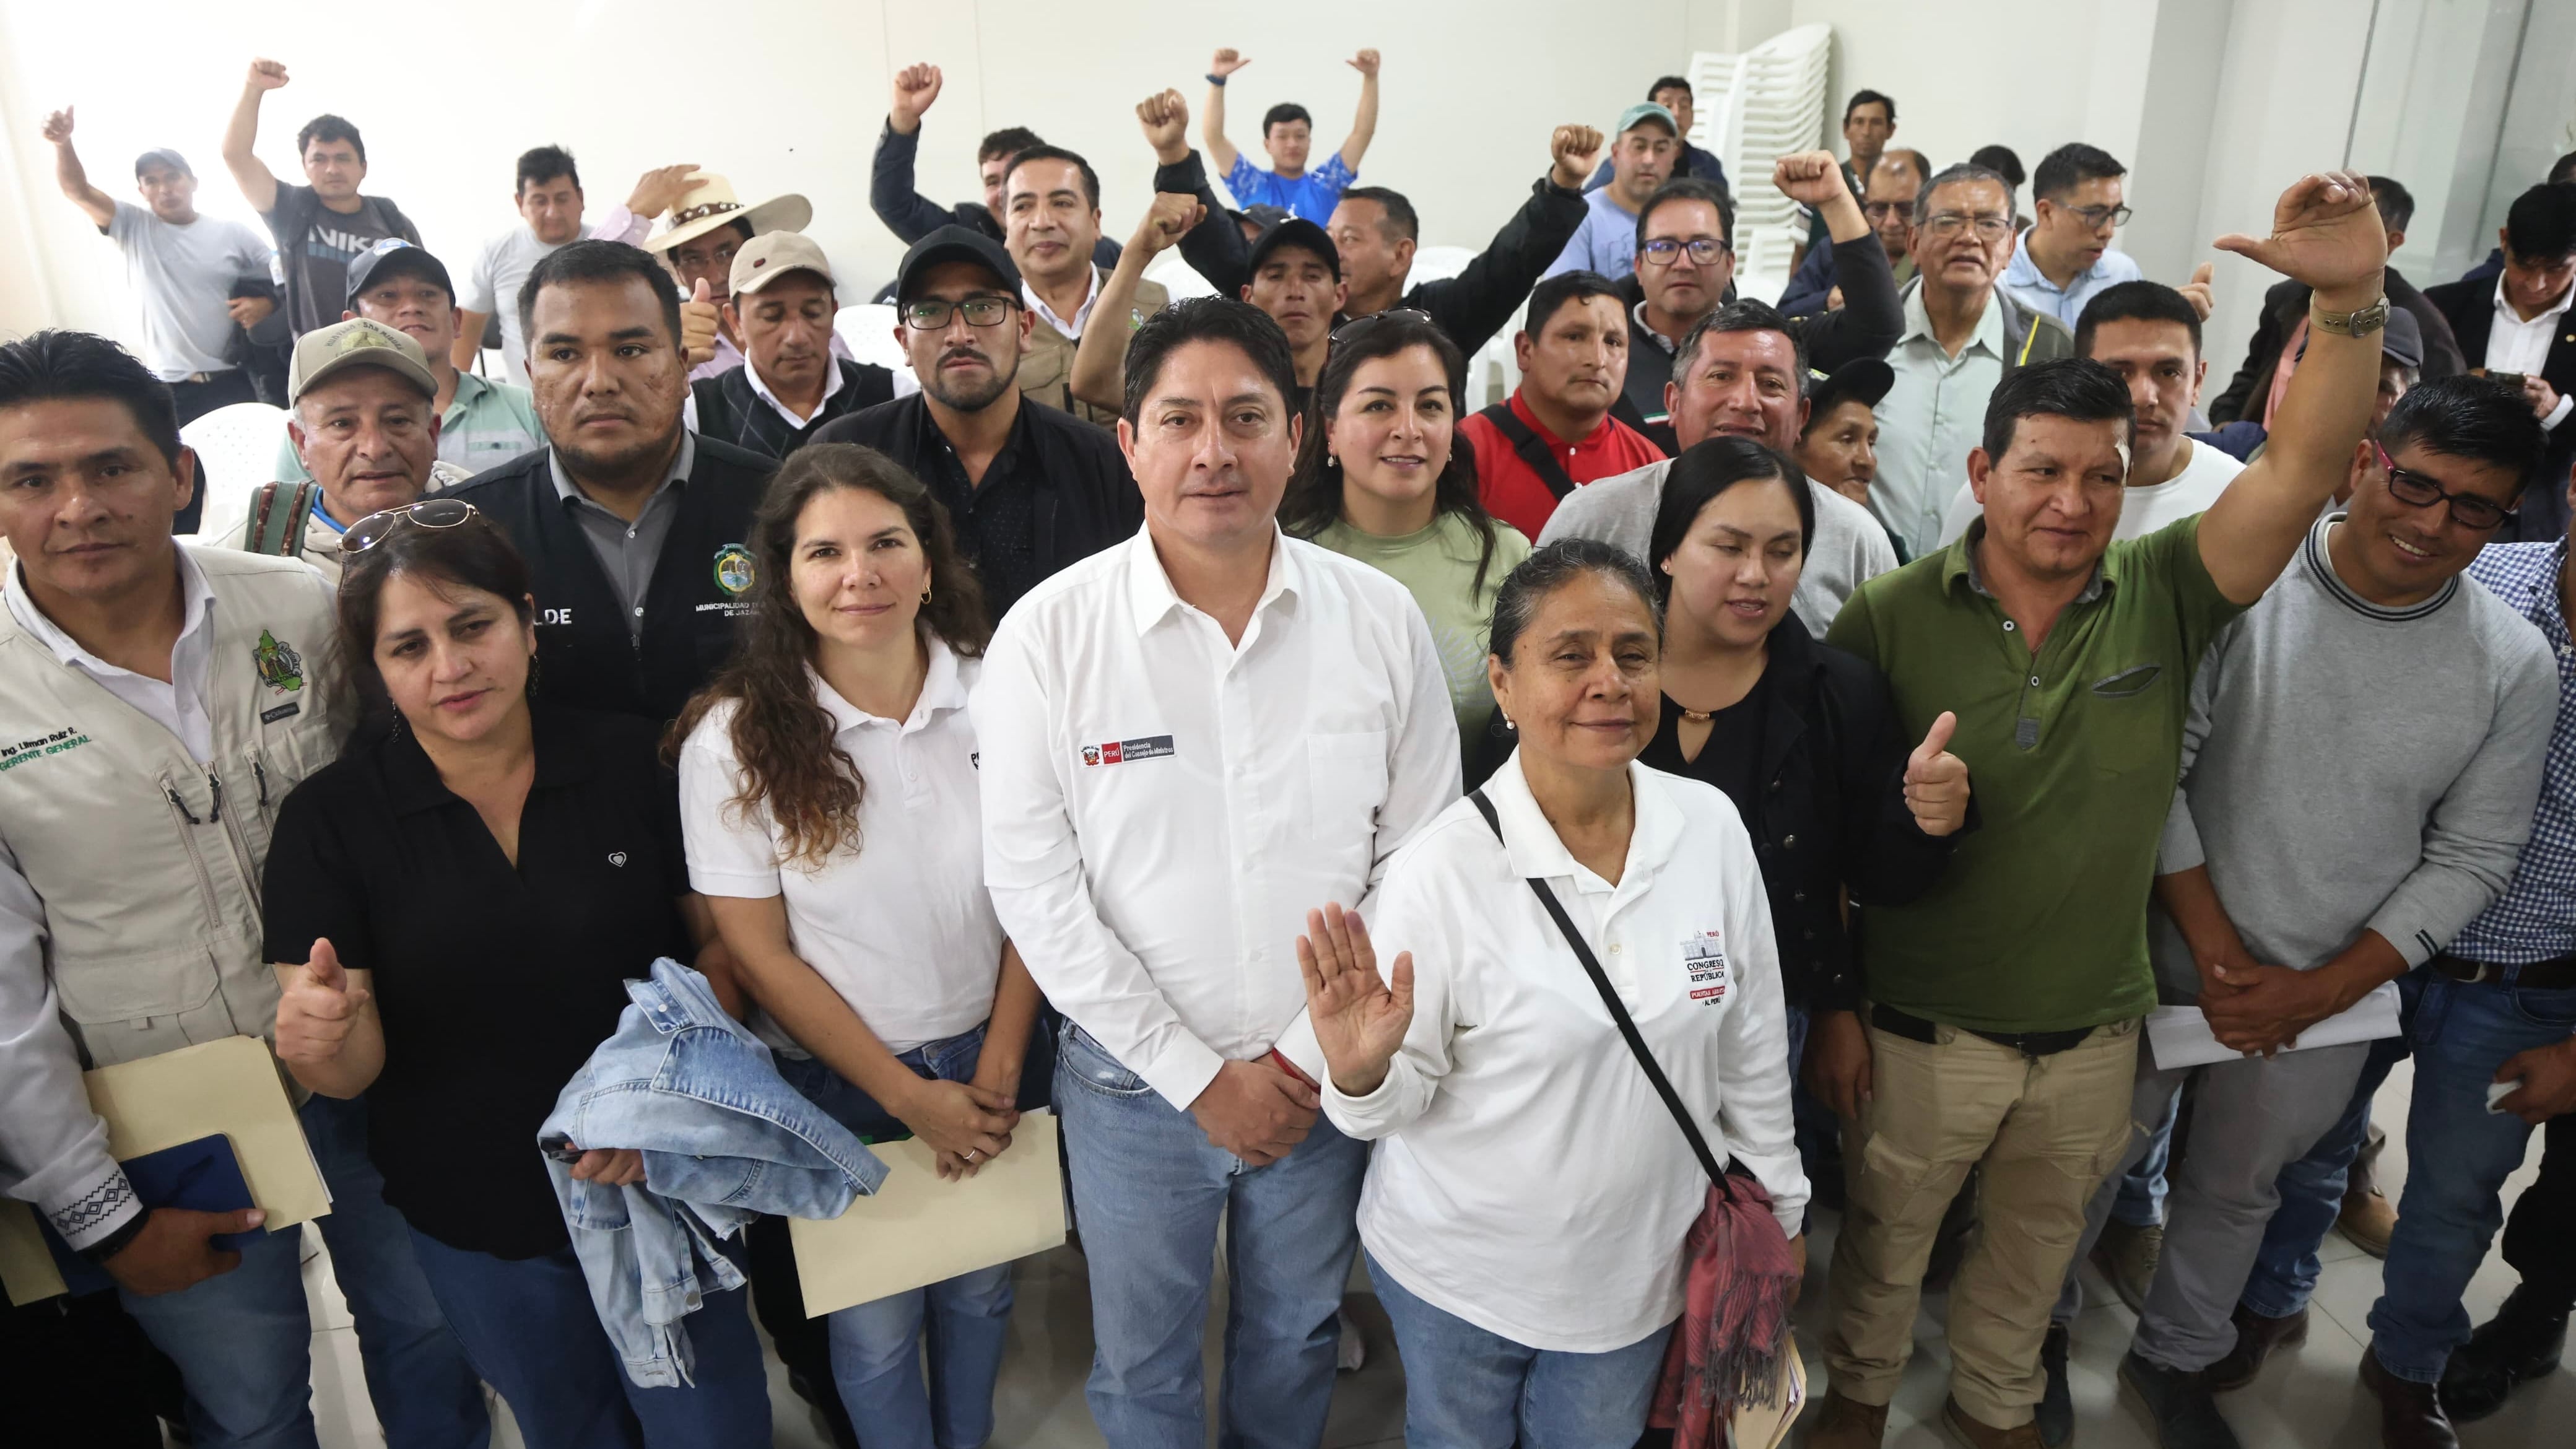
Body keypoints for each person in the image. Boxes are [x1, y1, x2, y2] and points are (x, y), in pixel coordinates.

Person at [1801, 170, 2395, 1449]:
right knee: (1889, 1244)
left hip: (2088, 1038)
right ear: (1980, 470)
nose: (2070, 502)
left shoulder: (2168, 588)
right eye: (2040, 473)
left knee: (2032, 1253)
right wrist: (1839, 1003)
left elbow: (2296, 471)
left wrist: (2347, 298)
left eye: (2099, 475)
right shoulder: (1887, 614)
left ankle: (1996, 1402)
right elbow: (1836, 842)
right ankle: (1856, 1394)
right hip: (1922, 1031)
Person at [973, 298, 1458, 1448]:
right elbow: (1036, 887)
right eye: (1179, 420)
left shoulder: (1379, 622)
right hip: (1132, 1089)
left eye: (1246, 417)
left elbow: (1424, 855)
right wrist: (1198, 1076)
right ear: (1128, 443)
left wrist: (1292, 1064)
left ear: (1298, 437)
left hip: (1321, 1080)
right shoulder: (1050, 635)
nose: (1214, 452)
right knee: (1143, 1360)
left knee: (1292, 1334)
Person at [0, 329, 487, 1449]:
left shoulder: (300, 611)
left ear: (178, 473)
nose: (79, 506)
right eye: (33, 478)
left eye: (111, 467)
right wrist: (101, 1215)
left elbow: (414, 824)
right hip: (159, 1120)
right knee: (252, 1403)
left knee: (428, 1336)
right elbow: (4, 1003)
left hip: (372, 1067)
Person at [263, 501, 768, 1449]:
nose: (450, 668)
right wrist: (318, 1040)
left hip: (658, 1176)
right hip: (477, 1209)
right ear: (375, 670)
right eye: (408, 647)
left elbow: (720, 955)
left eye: (473, 627)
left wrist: (656, 1109)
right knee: (568, 1426)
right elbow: (350, 1067)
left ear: (528, 625)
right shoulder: (330, 823)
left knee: (714, 1424)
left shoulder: (631, 758)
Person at [2110, 374, 2555, 1449]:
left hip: (2322, 996)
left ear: (2505, 521)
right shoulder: (2247, 583)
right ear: (2366, 462)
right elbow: (2155, 768)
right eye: (2416, 485)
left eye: (2473, 509)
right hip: (2153, 954)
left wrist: (2323, 985)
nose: (2432, 523)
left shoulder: (2511, 663)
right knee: (2084, 1169)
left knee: (2236, 1191)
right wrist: (2218, 955)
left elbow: (2477, 850)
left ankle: (2172, 1364)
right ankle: (2027, 1345)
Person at [1295, 538, 1809, 1446]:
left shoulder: (1708, 829)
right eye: (1571, 656)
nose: (1608, 681)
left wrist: (1784, 1207)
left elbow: (1751, 1043)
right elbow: (1391, 1105)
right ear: (1502, 682)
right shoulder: (1443, 870)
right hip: (1459, 1276)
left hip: (1635, 1280)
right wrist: (1364, 1074)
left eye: (1633, 654)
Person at [674, 446, 1045, 1449]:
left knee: (980, 1300)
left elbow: (1039, 894)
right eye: (824, 552)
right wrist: (902, 1095)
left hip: (995, 1055)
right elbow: (761, 954)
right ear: (785, 579)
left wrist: (999, 1068)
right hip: (842, 1085)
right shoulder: (738, 739)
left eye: (887, 543)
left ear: (929, 558)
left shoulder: (1003, 692)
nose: (860, 574)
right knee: (876, 1334)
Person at [1635, 438, 1967, 1090]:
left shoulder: (1839, 693)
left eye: (1781, 552)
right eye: (1728, 547)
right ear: (1668, 550)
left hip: (1766, 1022)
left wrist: (1932, 821)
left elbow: (1865, 879)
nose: (1756, 574)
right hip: (1604, 1007)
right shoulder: (1599, 682)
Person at [440, 240, 779, 725]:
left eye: (630, 350)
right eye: (564, 353)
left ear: (684, 365)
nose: (598, 381)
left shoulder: (780, 504)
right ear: (532, 378)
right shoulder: (467, 532)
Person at [2435, 453, 2576, 1430]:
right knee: (2312, 1157)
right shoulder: (2486, 582)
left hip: (2544, 984)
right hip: (2396, 953)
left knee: (2535, 1202)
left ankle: (2533, 1315)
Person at [814, 227, 1142, 621]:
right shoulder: (845, 457)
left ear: (1024, 330)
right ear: (903, 341)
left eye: (984, 307)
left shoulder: (1099, 464)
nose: (960, 335)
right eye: (930, 312)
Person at [1140, 87, 1594, 358]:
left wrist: (1563, 186)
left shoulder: (1440, 320)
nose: (1330, 251)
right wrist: (1174, 155)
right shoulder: (1301, 312)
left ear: (1401, 254)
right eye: (1330, 236)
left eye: (1349, 238)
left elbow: (1509, 263)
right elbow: (1222, 247)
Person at [1539, 300, 1902, 635]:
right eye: (1721, 377)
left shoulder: (1858, 542)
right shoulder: (1593, 518)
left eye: (1771, 384)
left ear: (1802, 416)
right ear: (1674, 402)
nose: (1746, 402)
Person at [1281, 309, 1531, 757]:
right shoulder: (1282, 555)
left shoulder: (1506, 555)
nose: (1408, 430)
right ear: (1332, 430)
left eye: (1431, 406)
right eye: (1379, 405)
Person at [1620, 154, 1904, 451]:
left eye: (1703, 247)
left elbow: (1876, 325)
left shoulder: (1770, 347)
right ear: (1638, 265)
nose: (1683, 262)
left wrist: (1835, 202)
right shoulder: (1604, 352)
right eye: (1664, 247)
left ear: (1730, 264)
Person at [1937, 282, 2246, 548]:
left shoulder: (2237, 496)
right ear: (2079, 375)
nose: (2145, 397)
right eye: (2120, 371)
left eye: (2169, 372)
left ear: (2198, 381)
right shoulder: (1999, 488)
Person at [1871, 162, 2078, 560]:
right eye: (1948, 222)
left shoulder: (2049, 347)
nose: (1968, 237)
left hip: (1989, 588)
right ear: (1914, 241)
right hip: (1867, 584)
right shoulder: (1869, 336)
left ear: (2010, 245)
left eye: (1988, 224)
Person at [40, 109, 274, 423]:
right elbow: (77, 191)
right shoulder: (134, 227)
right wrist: (63, 143)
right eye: (152, 181)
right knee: (181, 471)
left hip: (233, 380)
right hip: (170, 388)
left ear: (193, 182)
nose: (165, 188)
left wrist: (268, 303)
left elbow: (283, 274)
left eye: (173, 177)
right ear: (142, 191)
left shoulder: (233, 233)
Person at [271, 240, 546, 484]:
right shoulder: (314, 426)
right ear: (353, 326)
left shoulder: (528, 409)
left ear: (455, 321)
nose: (411, 307)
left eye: (427, 294)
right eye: (387, 296)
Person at [2211, 176, 2467, 428]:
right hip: (2261, 453)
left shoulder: (2420, 324)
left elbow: (2442, 420)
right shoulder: (2286, 296)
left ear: (2392, 240)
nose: (2336, 235)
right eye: (2329, 221)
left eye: (2357, 228)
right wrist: (2227, 420)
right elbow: (2255, 371)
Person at [222, 318, 455, 583]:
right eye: (342, 424)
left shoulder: (485, 515)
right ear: (301, 443)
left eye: (397, 420)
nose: (375, 449)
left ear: (432, 434)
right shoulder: (252, 552)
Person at [455, 147, 695, 385]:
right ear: (520, 203)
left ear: (580, 198)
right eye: (540, 201)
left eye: (562, 198)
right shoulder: (495, 253)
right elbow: (465, 333)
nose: (552, 212)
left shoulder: (619, 252)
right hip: (522, 405)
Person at [220, 58, 420, 339]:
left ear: (363, 167)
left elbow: (424, 290)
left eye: (342, 158)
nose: (332, 169)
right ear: (305, 166)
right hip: (320, 365)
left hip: (392, 358)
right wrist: (254, 89)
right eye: (319, 159)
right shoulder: (290, 209)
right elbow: (237, 156)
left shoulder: (391, 219)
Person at [2424, 181, 2576, 543]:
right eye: (2525, 265)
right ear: (2504, 240)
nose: (2537, 284)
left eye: (2556, 269)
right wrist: (2456, 388)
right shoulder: (2445, 306)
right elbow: (2404, 401)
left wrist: (2557, 410)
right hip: (2442, 501)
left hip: (2543, 516)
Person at [1459, 271, 1662, 539]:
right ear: (1525, 350)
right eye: (1575, 337)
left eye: (1613, 342)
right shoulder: (1463, 454)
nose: (1598, 359)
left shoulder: (1650, 467)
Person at [871, 62, 1120, 266]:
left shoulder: (1102, 253)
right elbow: (893, 204)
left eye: (1014, 180)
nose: (1004, 192)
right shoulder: (964, 239)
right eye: (992, 181)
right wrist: (903, 120)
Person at [1004, 146, 1169, 428]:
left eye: (1062, 203)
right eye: (1023, 206)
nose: (1042, 222)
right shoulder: (993, 323)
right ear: (1006, 228)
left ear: (1095, 222)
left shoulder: (1157, 303)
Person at [688, 233, 894, 458]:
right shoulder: (698, 413)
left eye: (813, 313)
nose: (797, 337)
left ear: (833, 313)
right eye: (772, 316)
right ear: (735, 322)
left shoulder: (892, 395)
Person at [639, 172, 845, 384]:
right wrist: (673, 362)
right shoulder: (671, 345)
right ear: (678, 272)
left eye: (727, 254)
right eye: (694, 260)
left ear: (751, 252)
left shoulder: (808, 326)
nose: (716, 275)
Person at [1201, 47, 1380, 222]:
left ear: (1310, 142)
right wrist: (1218, 81)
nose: (1292, 144)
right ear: (1267, 144)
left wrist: (1371, 78)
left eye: (1300, 136)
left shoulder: (1328, 184)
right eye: (1282, 136)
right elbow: (1214, 138)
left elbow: (1362, 134)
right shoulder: (1250, 185)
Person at [1999, 144, 2146, 329]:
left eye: (2115, 213)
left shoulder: (2122, 276)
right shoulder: (1997, 283)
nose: (2108, 232)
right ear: (2046, 213)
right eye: (2094, 214)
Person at [1779, 149, 1929, 320]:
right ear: (1866, 202)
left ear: (1927, 204)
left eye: (1906, 209)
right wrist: (1827, 300)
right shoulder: (1833, 250)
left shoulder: (1940, 258)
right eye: (1879, 209)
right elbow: (1784, 312)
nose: (1891, 221)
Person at [1544, 103, 1679, 282]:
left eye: (1661, 149)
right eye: (1639, 147)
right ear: (1615, 154)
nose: (1649, 160)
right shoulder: (1582, 219)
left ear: (1674, 158)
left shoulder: (1683, 221)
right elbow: (1561, 301)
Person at [1583, 75, 1729, 193]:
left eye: (1684, 106)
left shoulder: (1708, 165)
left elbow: (1724, 214)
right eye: (1667, 106)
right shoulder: (1621, 163)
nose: (1677, 114)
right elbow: (1589, 207)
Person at [1795, 358, 1892, 512]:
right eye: (1848, 440)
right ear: (1792, 443)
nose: (1868, 461)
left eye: (1871, 443)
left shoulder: (1881, 537)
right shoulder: (1755, 531)